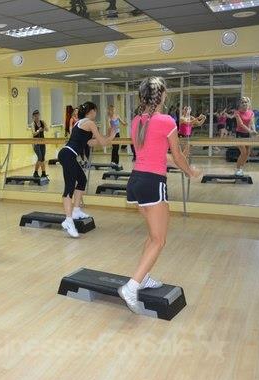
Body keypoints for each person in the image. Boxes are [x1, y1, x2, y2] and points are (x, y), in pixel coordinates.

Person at [118, 77, 201, 313]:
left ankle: (143, 277)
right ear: (162, 95)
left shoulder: (137, 120)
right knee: (159, 239)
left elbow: (155, 155)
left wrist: (182, 164)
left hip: (136, 182)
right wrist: (190, 172)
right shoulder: (166, 121)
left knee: (154, 235)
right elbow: (177, 155)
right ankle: (132, 287)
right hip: (153, 184)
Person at [58, 102, 116, 238]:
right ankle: (68, 221)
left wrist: (108, 136)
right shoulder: (89, 123)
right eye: (96, 111)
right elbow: (103, 142)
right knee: (69, 188)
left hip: (67, 154)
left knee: (82, 180)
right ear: (92, 111)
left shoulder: (80, 123)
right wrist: (111, 136)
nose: (96, 113)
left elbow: (91, 143)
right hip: (68, 155)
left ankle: (76, 211)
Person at [234, 97, 256, 176]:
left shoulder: (251, 113)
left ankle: (241, 169)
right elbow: (241, 124)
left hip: (248, 135)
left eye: (246, 102)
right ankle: (237, 169)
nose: (244, 104)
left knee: (247, 153)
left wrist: (254, 130)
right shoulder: (237, 113)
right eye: (242, 102)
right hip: (240, 134)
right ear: (240, 104)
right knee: (243, 152)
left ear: (248, 103)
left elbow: (252, 123)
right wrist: (250, 131)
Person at [31, 109, 48, 178]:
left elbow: (47, 129)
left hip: (42, 142)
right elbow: (34, 133)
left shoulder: (42, 122)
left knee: (42, 158)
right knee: (40, 157)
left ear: (39, 115)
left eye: (38, 115)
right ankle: (36, 172)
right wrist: (38, 130)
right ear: (33, 117)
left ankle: (43, 173)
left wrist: (44, 128)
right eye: (35, 116)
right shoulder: (33, 124)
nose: (37, 117)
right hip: (36, 143)